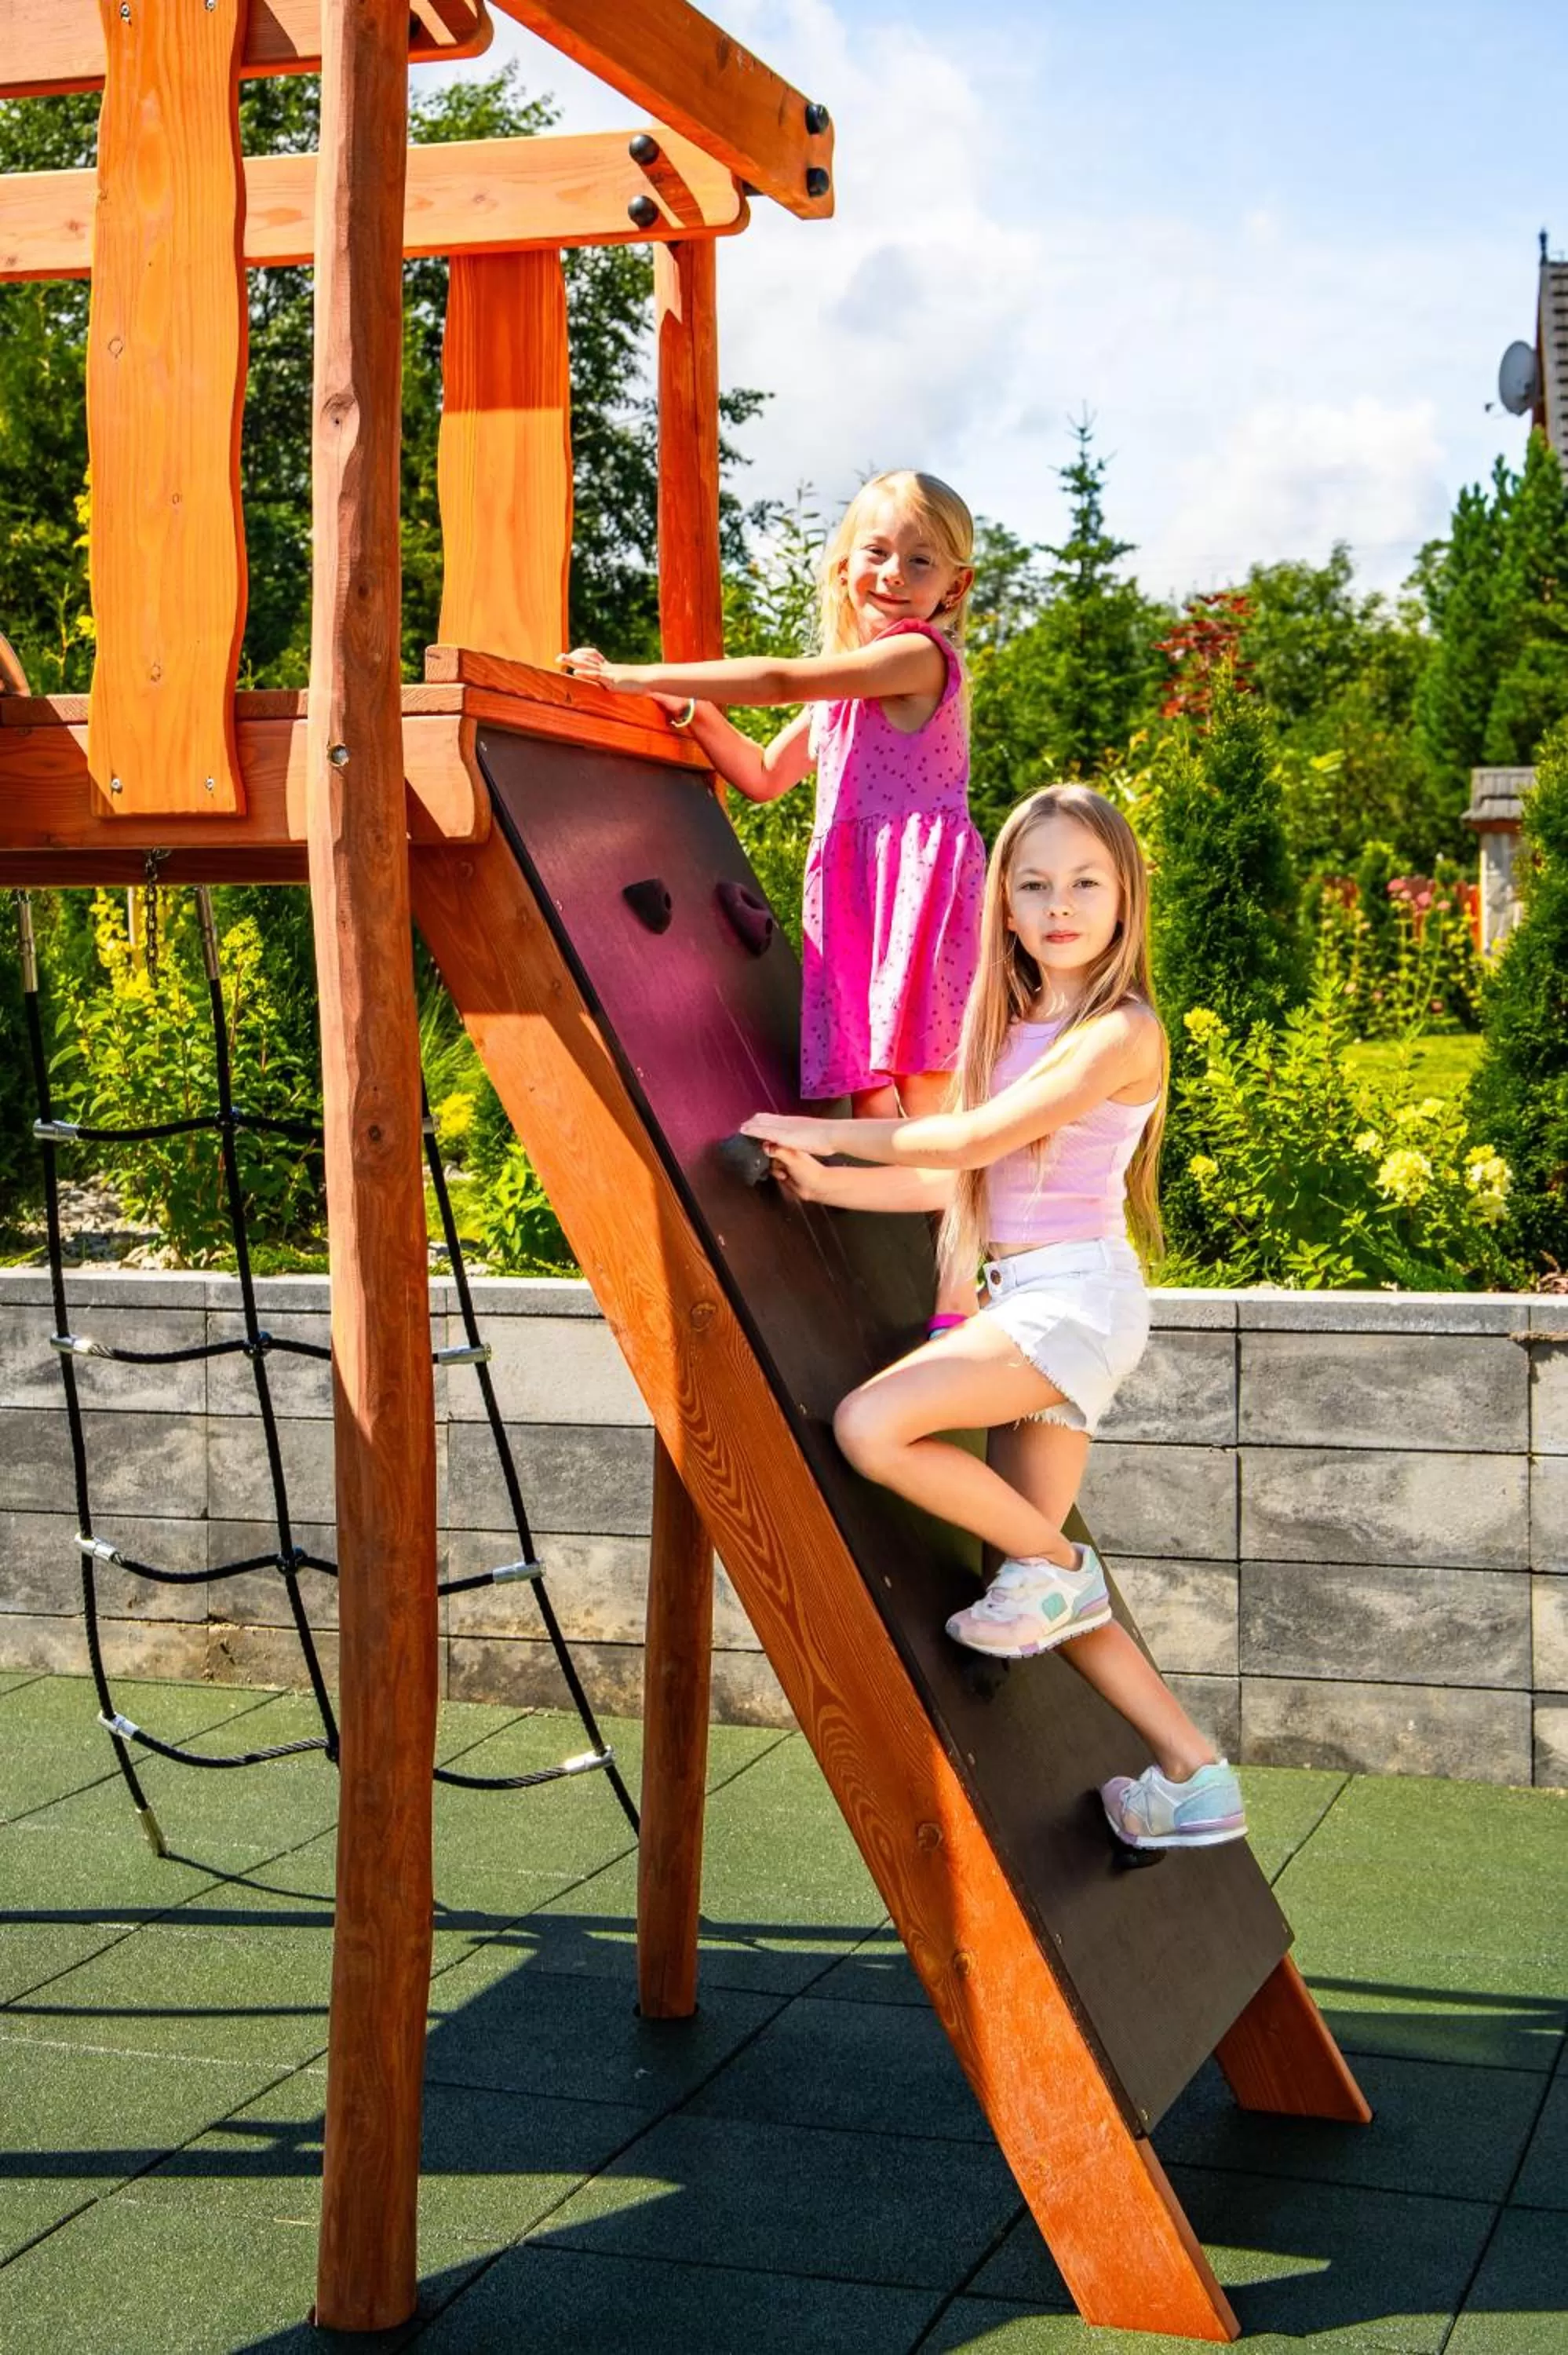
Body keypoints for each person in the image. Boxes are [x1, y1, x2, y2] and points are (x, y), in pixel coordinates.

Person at [740, 783, 1247, 1853]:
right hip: (1038, 1296)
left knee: (873, 1430)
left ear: (1124, 901)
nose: (1058, 903)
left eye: (1083, 882)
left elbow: (964, 1143)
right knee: (1022, 1570)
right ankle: (1191, 1771)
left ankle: (1061, 1575)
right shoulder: (1010, 1031)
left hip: (1074, 1301)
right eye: (1033, 884)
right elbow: (960, 1184)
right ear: (1003, 908)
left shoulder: (1122, 1031)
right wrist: (829, 1189)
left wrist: (822, 1135)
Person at [560, 468, 985, 1331]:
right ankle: (934, 1267)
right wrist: (691, 712)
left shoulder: (914, 658)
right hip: (857, 903)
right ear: (842, 566)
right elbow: (760, 776)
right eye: (877, 552)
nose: (894, 574)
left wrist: (639, 676)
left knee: (929, 1095)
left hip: (917, 893)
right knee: (874, 1101)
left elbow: (785, 678)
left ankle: (964, 1290)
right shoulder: (841, 701)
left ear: (954, 589)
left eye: (921, 560)